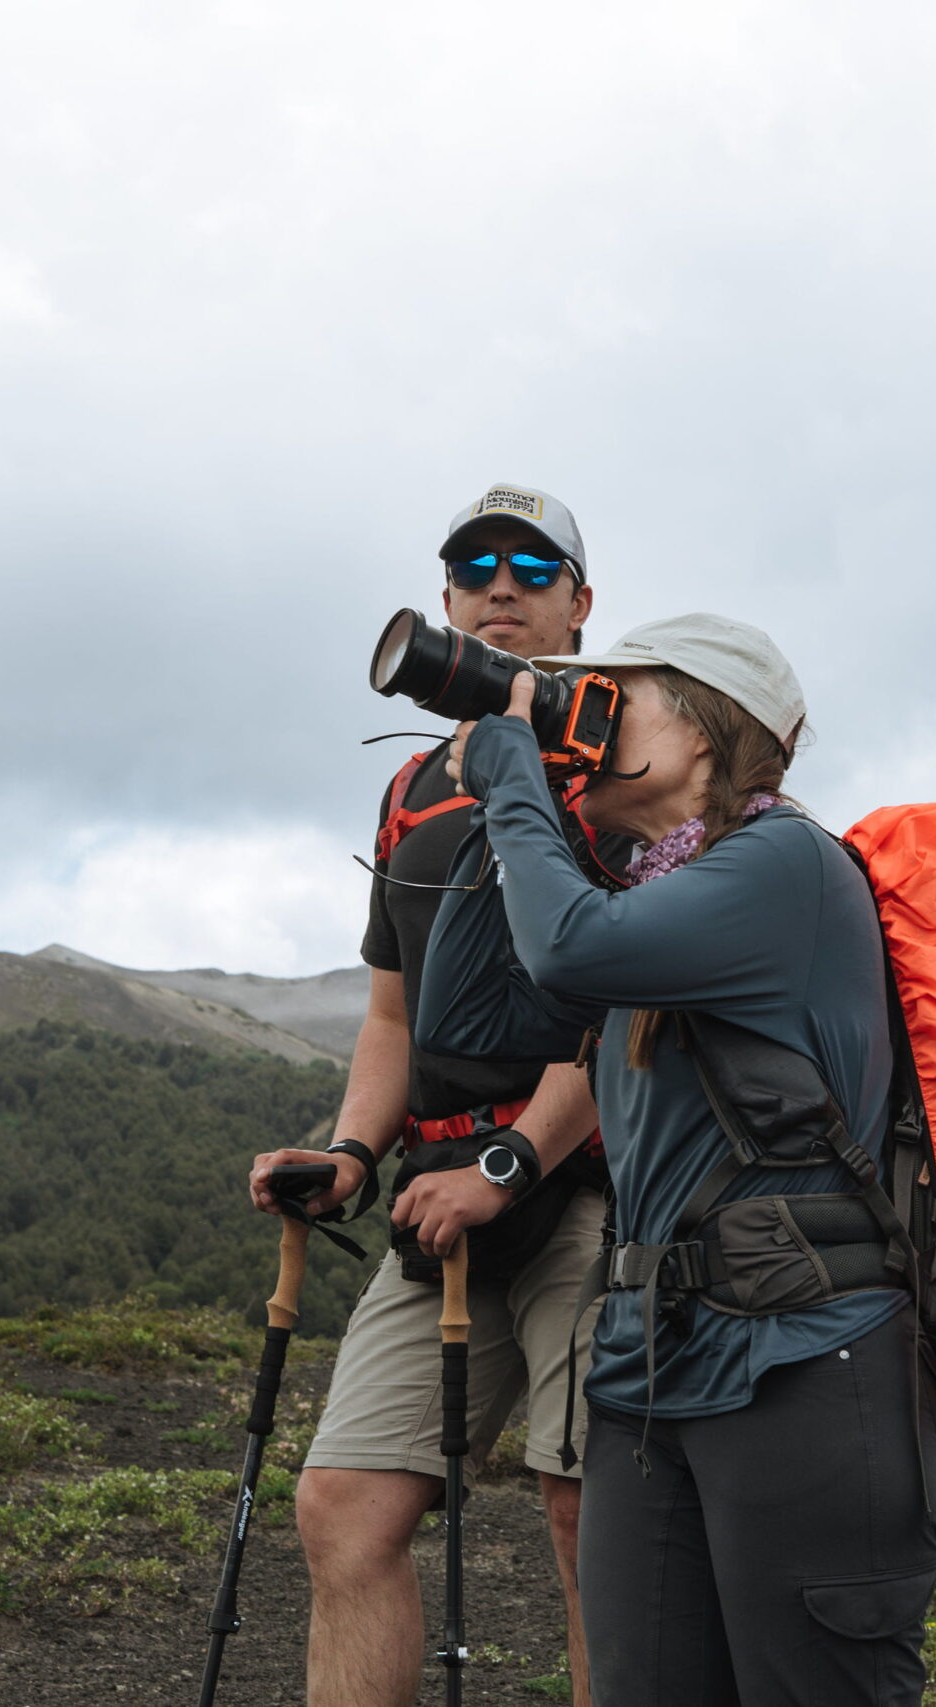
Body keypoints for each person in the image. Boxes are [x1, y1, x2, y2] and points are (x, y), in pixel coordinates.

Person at [413, 615, 936, 1707]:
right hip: (652, 1367)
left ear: (704, 730)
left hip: (802, 1359)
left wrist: (522, 776)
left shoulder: (783, 865)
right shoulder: (655, 903)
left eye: (612, 698)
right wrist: (504, 795)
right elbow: (466, 1015)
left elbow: (568, 946)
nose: (583, 720)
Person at [248, 484, 613, 1707]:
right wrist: (350, 1157)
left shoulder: (621, 764)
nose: (497, 588)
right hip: (435, 1197)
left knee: (588, 1520)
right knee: (345, 1506)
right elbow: (393, 1018)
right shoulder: (412, 791)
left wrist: (512, 1161)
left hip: (593, 1190)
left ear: (580, 603)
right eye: (472, 569)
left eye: (530, 566)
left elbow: (635, 1009)